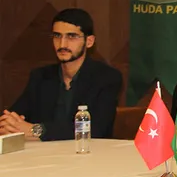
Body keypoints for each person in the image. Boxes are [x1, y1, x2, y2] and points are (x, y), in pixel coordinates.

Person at [0, 8, 122, 141]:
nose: (62, 44)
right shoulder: (40, 76)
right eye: (57, 36)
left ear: (89, 41)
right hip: (43, 152)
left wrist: (36, 130)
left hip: (87, 152)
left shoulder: (107, 77)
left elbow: (96, 129)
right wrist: (9, 124)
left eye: (71, 36)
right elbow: (14, 115)